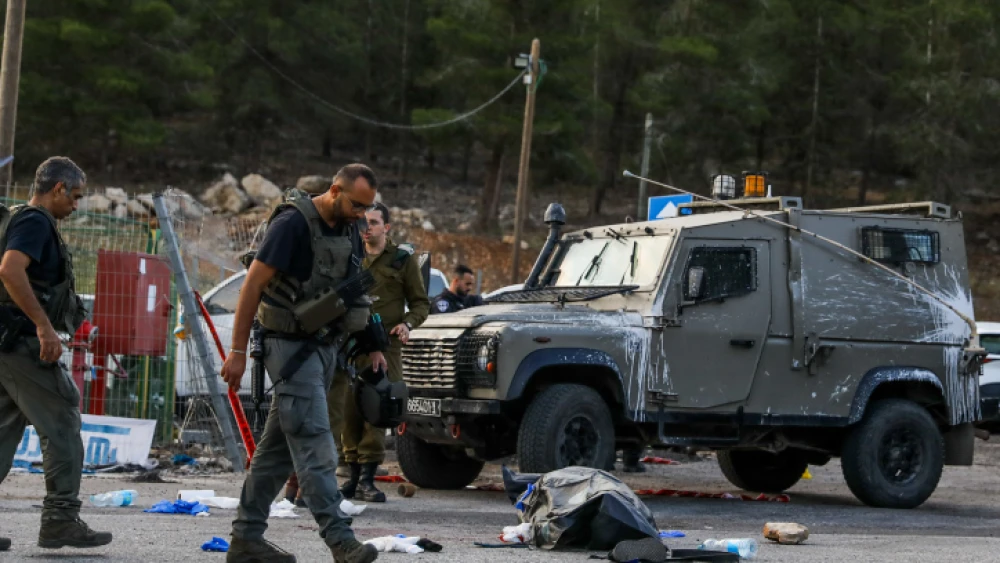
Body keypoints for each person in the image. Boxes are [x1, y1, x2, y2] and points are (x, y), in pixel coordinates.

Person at [221, 164, 386, 563]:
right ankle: (340, 540)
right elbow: (252, 286)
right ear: (334, 191)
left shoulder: (348, 228)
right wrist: (238, 352)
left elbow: (352, 290)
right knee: (315, 442)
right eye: (356, 205)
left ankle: (245, 539)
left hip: (324, 349)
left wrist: (371, 343)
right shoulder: (293, 224)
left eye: (368, 208)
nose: (362, 215)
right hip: (289, 349)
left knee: (276, 451)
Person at [0, 157, 112, 551]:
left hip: (6, 344)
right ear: (59, 188)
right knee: (64, 416)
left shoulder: (16, 218)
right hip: (22, 343)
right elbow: (11, 270)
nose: (76, 206)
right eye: (76, 197)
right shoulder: (35, 221)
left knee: (4, 428)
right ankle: (60, 519)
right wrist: (44, 327)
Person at [334, 202, 430, 502]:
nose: (367, 227)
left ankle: (367, 478)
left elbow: (420, 303)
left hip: (387, 345)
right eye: (364, 222)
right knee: (349, 409)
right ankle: (350, 476)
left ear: (386, 227)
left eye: (374, 222)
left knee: (378, 409)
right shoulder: (352, 254)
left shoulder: (401, 260)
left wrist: (407, 324)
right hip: (352, 344)